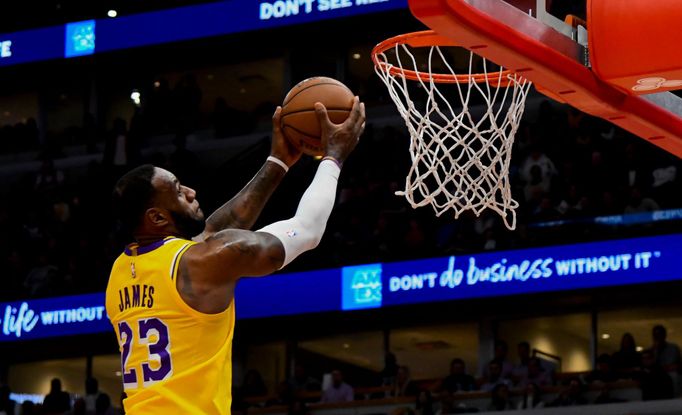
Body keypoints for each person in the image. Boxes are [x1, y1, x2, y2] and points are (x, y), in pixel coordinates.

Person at [105, 98, 366, 415]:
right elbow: (308, 230)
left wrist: (278, 162)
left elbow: (213, 233)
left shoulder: (121, 271)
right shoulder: (201, 262)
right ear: (157, 218)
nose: (190, 191)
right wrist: (334, 158)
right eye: (176, 190)